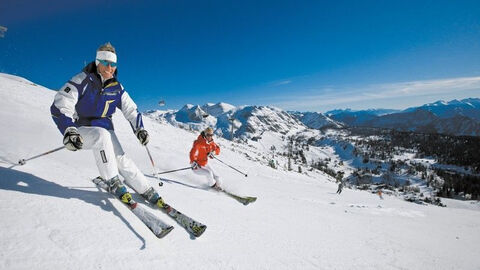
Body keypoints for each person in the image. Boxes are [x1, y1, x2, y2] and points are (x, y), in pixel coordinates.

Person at [50, 42, 164, 208]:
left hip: (105, 128)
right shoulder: (82, 80)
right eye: (106, 63)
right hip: (81, 131)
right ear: (98, 62)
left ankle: (146, 190)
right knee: (101, 136)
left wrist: (140, 129)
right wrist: (69, 130)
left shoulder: (116, 87)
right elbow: (61, 105)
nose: (110, 68)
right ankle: (113, 181)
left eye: (113, 64)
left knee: (121, 159)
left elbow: (131, 110)